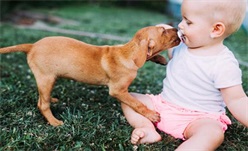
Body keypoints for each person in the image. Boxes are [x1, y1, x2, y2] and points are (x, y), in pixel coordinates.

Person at [121, 0, 248, 150]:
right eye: (182, 19)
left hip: (198, 118)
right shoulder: (180, 46)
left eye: (188, 22)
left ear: (215, 29)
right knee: (129, 99)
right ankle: (146, 128)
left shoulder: (223, 64)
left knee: (212, 133)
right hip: (163, 106)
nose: (180, 25)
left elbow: (237, 100)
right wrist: (162, 29)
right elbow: (166, 37)